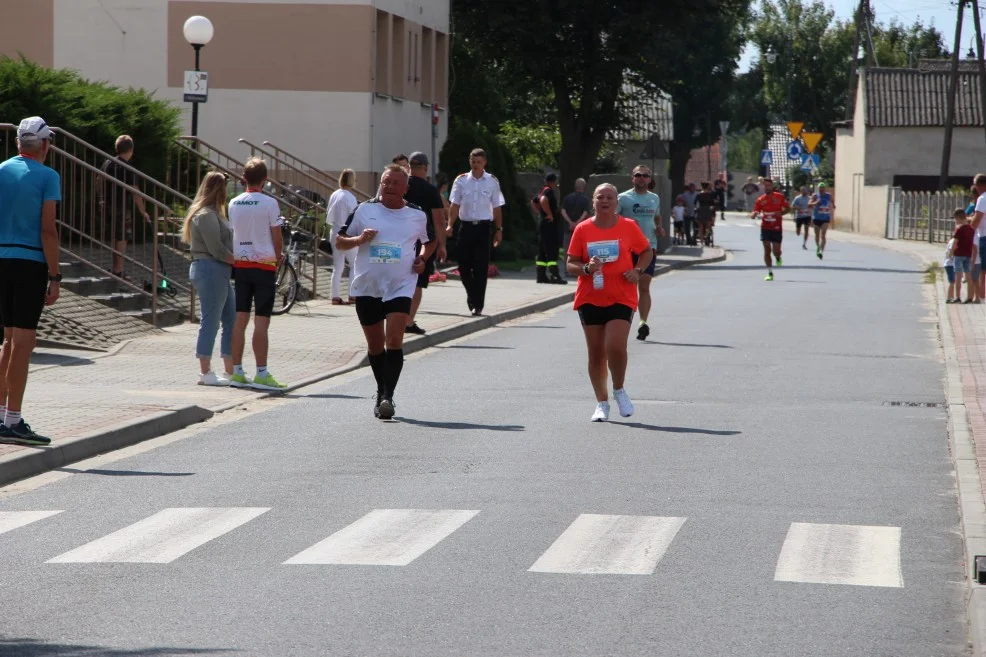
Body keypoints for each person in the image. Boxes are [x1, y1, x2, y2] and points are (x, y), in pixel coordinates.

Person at [336, 164, 436, 419]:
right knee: (375, 345)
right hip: (368, 285)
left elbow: (430, 241)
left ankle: (387, 397)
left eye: (395, 183)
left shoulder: (417, 214)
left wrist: (422, 259)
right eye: (385, 182)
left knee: (394, 340)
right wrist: (359, 240)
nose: (389, 187)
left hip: (400, 285)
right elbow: (339, 240)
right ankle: (381, 390)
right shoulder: (364, 209)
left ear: (405, 188)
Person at [566, 183, 653, 422]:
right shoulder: (583, 229)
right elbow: (571, 263)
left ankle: (619, 390)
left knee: (614, 346)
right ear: (593, 202)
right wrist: (587, 268)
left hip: (621, 294)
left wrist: (637, 271)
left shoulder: (628, 226)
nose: (605, 201)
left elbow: (646, 252)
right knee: (595, 354)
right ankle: (601, 403)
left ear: (617, 202)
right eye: (600, 197)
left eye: (610, 197)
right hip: (590, 296)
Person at [0, 117, 61, 445]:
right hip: (29, 263)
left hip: (1, 260)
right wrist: (55, 275)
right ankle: (13, 419)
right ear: (45, 145)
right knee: (23, 343)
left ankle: (0, 416)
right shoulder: (48, 177)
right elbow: (48, 228)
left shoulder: (0, 170)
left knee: (8, 340)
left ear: (18, 144)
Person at [228, 157, 287, 391]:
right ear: (265, 180)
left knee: (240, 319)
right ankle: (261, 373)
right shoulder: (270, 203)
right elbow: (277, 236)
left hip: (241, 265)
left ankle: (237, 371)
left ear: (243, 179)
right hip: (264, 266)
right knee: (261, 322)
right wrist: (278, 255)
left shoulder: (233, 202)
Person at [182, 171, 236, 386]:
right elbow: (217, 248)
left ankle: (231, 370)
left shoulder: (214, 213)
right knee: (211, 320)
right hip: (210, 268)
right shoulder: (205, 215)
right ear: (217, 189)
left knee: (231, 319)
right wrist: (238, 261)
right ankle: (205, 371)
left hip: (218, 271)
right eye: (224, 187)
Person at [447, 148, 505, 316]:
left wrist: (499, 229)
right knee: (463, 266)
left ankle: (477, 304)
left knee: (480, 267)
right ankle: (472, 294)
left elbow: (497, 207)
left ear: (484, 162)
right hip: (465, 226)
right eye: (473, 162)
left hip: (483, 227)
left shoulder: (492, 181)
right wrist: (450, 224)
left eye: (479, 162)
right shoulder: (461, 180)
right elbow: (454, 205)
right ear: (469, 161)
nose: (476, 165)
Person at [617, 165, 664, 341]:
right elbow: (613, 219)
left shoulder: (654, 198)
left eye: (645, 176)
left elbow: (656, 216)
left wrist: (659, 227)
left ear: (650, 179)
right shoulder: (623, 198)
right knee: (626, 287)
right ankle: (622, 320)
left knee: (644, 286)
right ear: (632, 178)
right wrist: (627, 222)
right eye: (638, 175)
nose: (642, 178)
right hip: (628, 249)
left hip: (648, 247)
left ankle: (643, 322)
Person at [99, 135, 151, 279]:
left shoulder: (108, 163)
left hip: (109, 204)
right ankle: (118, 269)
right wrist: (143, 210)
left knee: (115, 236)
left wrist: (101, 199)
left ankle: (116, 267)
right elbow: (135, 191)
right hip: (121, 206)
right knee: (122, 237)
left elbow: (99, 180)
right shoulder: (128, 168)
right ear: (131, 150)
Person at [404, 152, 445, 334]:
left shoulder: (401, 186)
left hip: (399, 240)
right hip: (423, 243)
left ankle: (395, 319)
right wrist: (442, 245)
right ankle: (408, 321)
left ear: (409, 167)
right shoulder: (430, 190)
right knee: (417, 282)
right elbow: (438, 220)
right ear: (426, 168)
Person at [326, 168, 360, 305]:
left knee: (337, 266)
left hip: (334, 231)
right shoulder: (350, 197)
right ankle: (352, 294)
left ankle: (335, 296)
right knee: (354, 264)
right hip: (347, 234)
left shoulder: (335, 194)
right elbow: (354, 217)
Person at [751, 178, 790, 281]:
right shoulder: (760, 200)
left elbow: (788, 208)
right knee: (767, 249)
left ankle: (778, 257)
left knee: (776, 251)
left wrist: (780, 213)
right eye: (765, 185)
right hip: (765, 228)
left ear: (772, 186)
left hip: (777, 227)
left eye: (769, 185)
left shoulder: (779, 197)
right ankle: (770, 272)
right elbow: (754, 212)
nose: (767, 187)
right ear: (763, 187)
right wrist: (754, 214)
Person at [536, 173, 567, 284]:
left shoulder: (542, 190)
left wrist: (541, 214)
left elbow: (534, 202)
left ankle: (541, 275)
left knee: (542, 250)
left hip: (543, 223)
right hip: (549, 224)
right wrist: (549, 214)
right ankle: (555, 275)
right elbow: (543, 200)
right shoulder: (548, 191)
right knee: (551, 249)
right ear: (553, 181)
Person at [951, 208, 978, 304]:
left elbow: (955, 243)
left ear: (958, 218)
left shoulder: (959, 229)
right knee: (968, 276)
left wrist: (951, 253)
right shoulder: (971, 229)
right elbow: (973, 244)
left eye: (955, 219)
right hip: (968, 254)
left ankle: (958, 297)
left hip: (958, 254)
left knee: (958, 275)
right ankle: (970, 297)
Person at [968, 174, 986, 301]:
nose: (975, 187)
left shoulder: (982, 199)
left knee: (982, 268)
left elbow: (977, 220)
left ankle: (981, 293)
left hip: (984, 235)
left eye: (976, 185)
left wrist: (967, 230)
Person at [561, 177, 592, 251]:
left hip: (568, 229)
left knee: (567, 251)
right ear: (584, 186)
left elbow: (563, 211)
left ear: (575, 186)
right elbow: (585, 213)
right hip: (580, 229)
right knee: (579, 251)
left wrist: (570, 222)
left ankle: (567, 263)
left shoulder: (567, 198)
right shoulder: (585, 199)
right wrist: (577, 223)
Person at [808, 182, 835, 260]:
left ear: (824, 189)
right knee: (817, 235)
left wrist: (832, 206)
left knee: (823, 235)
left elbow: (832, 203)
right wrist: (816, 202)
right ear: (818, 188)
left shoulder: (829, 196)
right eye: (820, 188)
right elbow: (809, 205)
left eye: (823, 188)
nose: (821, 190)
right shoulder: (815, 196)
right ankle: (818, 247)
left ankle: (821, 251)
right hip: (816, 218)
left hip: (825, 218)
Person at [695, 182, 717, 246]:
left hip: (701, 210)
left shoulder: (699, 195)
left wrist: (696, 209)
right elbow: (713, 204)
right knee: (708, 226)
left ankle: (701, 241)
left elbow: (695, 203)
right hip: (708, 210)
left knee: (701, 227)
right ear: (707, 187)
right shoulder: (710, 195)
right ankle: (706, 235)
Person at [944, 237, 958, 303]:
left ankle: (952, 297)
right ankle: (948, 298)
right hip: (950, 265)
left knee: (953, 281)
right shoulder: (953, 242)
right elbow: (950, 252)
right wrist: (952, 258)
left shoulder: (953, 241)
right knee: (952, 281)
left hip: (951, 264)